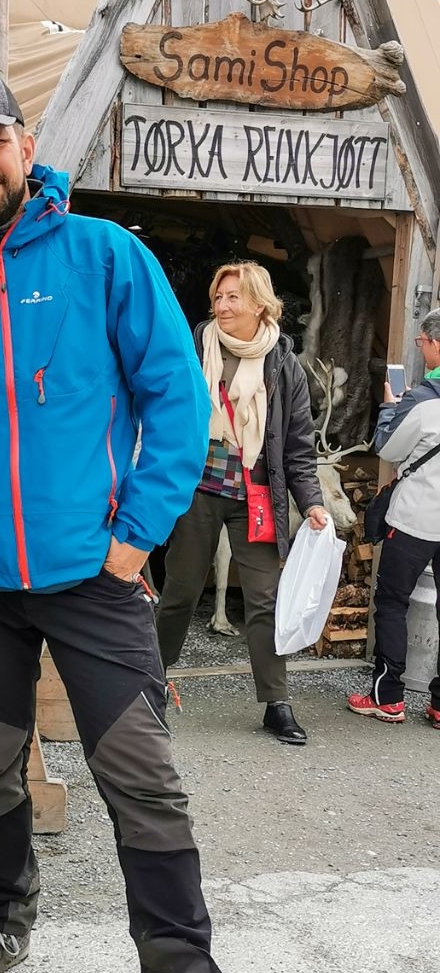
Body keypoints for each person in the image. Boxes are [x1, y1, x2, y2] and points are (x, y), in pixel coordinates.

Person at [0, 68, 275, 973]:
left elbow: (177, 403)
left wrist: (135, 536)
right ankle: (3, 920)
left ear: (24, 144)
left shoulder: (108, 257)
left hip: (96, 578)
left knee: (143, 780)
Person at [154, 262, 328, 744]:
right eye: (218, 297)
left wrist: (310, 502)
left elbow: (297, 444)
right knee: (181, 593)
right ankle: (148, 684)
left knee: (264, 601)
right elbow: (163, 411)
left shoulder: (282, 363)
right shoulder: (196, 348)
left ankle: (276, 703)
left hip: (254, 495)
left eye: (233, 297)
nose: (222, 306)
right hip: (198, 490)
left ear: (259, 304)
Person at [347, 307, 440, 724]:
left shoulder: (420, 402)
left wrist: (390, 407)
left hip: (416, 521)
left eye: (422, 342)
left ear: (436, 343)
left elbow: (387, 450)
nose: (421, 349)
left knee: (391, 602)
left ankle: (389, 696)